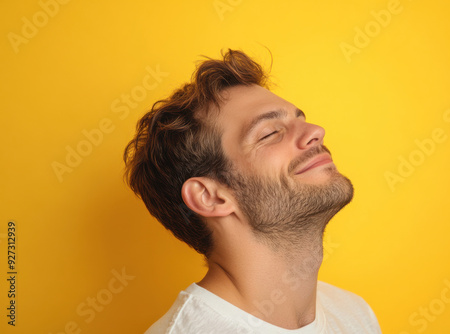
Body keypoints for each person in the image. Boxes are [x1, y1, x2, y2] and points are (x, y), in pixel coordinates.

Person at [124, 49, 382, 333]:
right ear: (211, 197)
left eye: (301, 119)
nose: (316, 130)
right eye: (270, 133)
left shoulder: (353, 314)